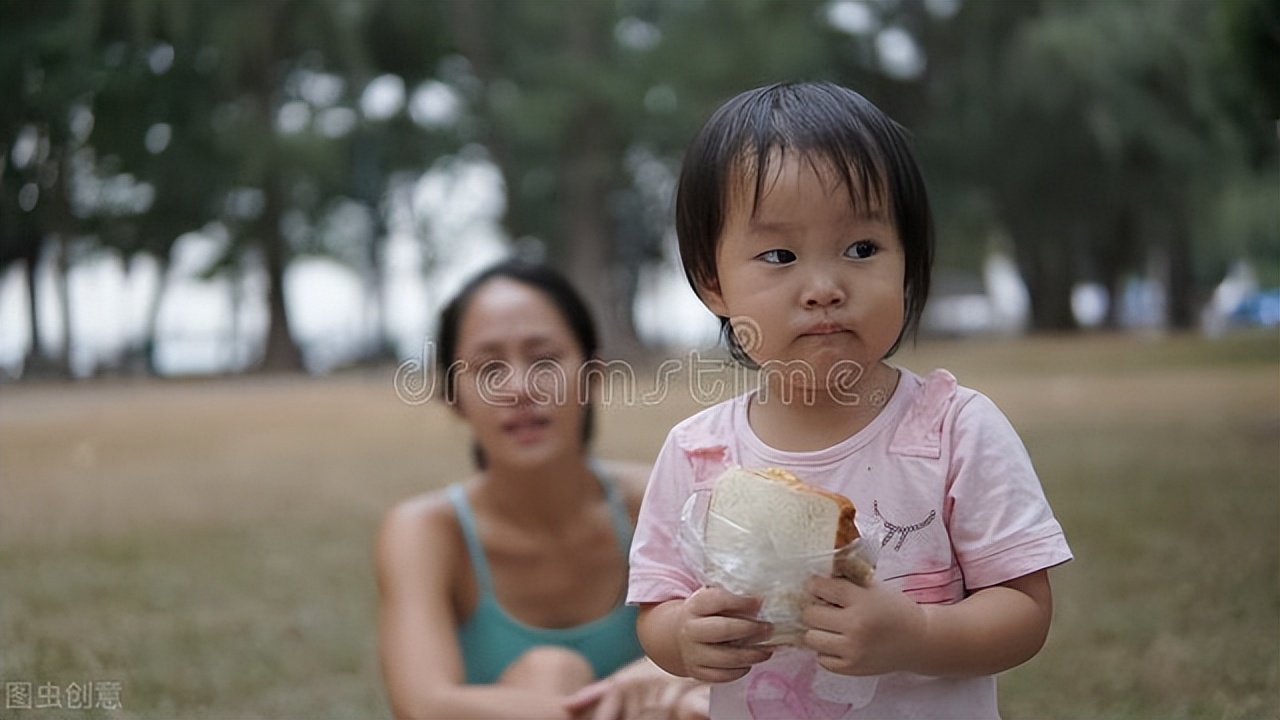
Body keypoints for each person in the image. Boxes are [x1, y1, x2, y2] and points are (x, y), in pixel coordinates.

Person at [627, 81, 1073, 719]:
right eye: (779, 255)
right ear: (710, 280)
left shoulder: (953, 429)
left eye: (862, 249)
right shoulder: (700, 452)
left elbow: (1026, 611)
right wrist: (684, 638)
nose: (824, 287)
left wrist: (918, 635)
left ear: (908, 263)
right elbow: (658, 604)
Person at [377, 260, 709, 720]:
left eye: (545, 359)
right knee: (550, 671)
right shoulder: (427, 531)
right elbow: (423, 706)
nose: (519, 387)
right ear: (452, 395)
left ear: (593, 373)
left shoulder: (661, 500)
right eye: (489, 367)